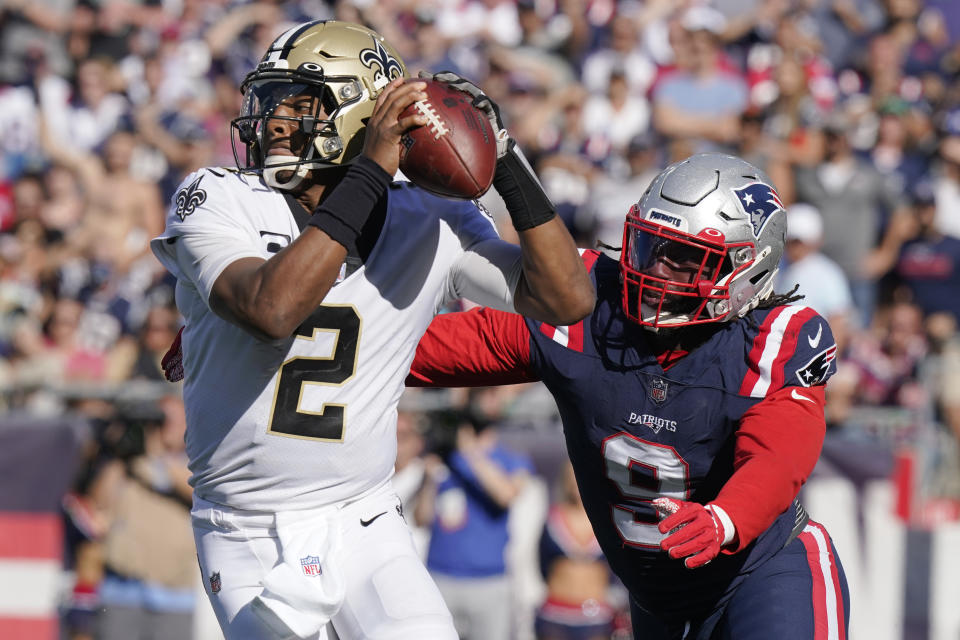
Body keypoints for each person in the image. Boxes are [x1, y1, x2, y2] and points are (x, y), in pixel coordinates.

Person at [150, 19, 594, 640]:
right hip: (246, 526)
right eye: (271, 101)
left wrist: (503, 155)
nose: (275, 122)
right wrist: (374, 168)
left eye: (300, 104)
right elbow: (272, 307)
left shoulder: (428, 218)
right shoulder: (218, 195)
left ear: (361, 115)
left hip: (365, 516)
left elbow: (566, 300)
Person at [408, 153, 850, 639]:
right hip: (657, 604)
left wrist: (724, 518)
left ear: (745, 270)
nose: (657, 268)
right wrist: (339, 347)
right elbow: (427, 350)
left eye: (685, 259)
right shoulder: (587, 305)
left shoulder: (773, 341)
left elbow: (777, 457)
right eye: (651, 245)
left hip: (762, 576)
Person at [413, 400, 534, 640]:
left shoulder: (511, 459)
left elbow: (506, 495)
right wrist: (428, 480)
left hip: (489, 582)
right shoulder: (442, 460)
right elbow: (420, 519)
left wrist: (469, 450)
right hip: (441, 577)